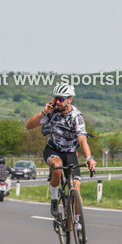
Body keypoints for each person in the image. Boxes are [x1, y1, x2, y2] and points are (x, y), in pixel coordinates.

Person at [24, 83, 96, 217]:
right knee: (57, 167)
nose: (58, 102)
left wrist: (88, 158)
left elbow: (82, 139)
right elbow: (28, 126)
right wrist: (44, 112)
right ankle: (54, 199)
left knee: (76, 187)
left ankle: (78, 223)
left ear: (70, 99)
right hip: (53, 149)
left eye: (61, 99)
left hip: (70, 152)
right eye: (56, 98)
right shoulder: (53, 112)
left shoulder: (76, 116)